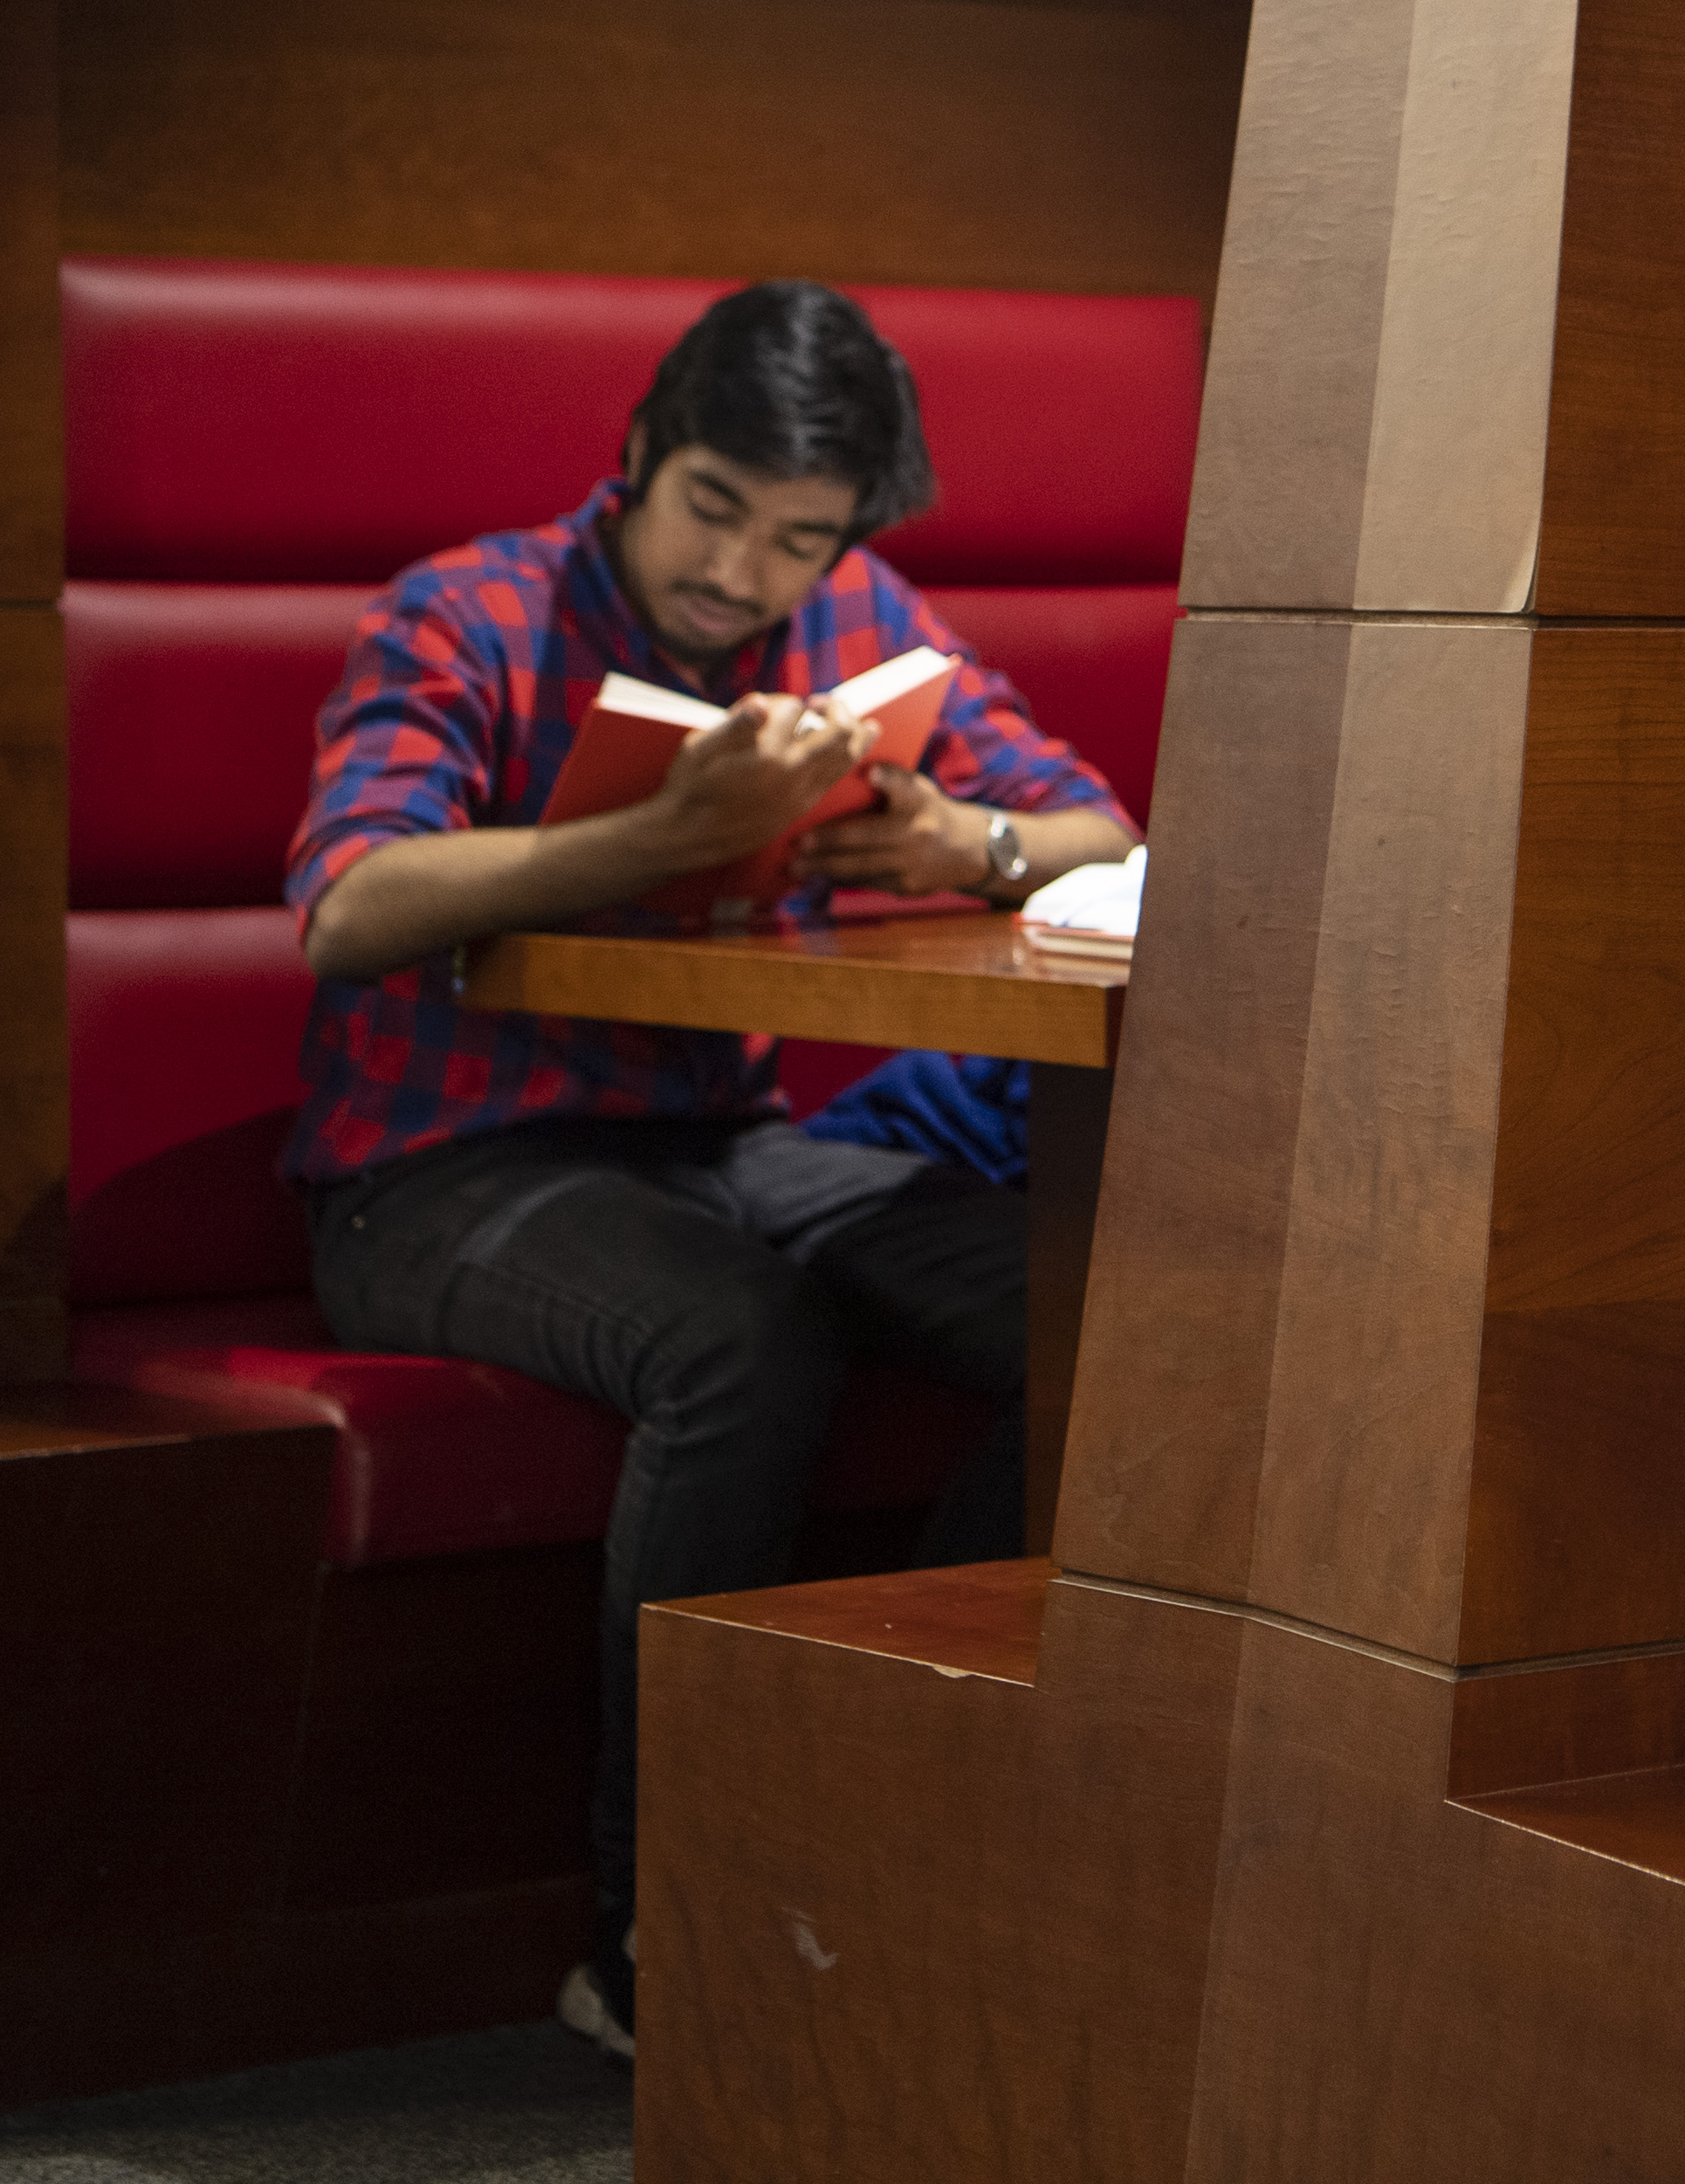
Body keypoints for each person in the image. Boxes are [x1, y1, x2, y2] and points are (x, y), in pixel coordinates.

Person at [281, 279, 1140, 2062]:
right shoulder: (474, 611)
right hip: (434, 1175)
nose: (746, 574)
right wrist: (652, 836)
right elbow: (353, 903)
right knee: (742, 1335)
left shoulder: (852, 622)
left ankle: (890, 1824)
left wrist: (951, 835)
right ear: (640, 459)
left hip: (723, 1146)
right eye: (715, 510)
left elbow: (1098, 829)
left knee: (1112, 1329)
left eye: (798, 537)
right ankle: (662, 1926)